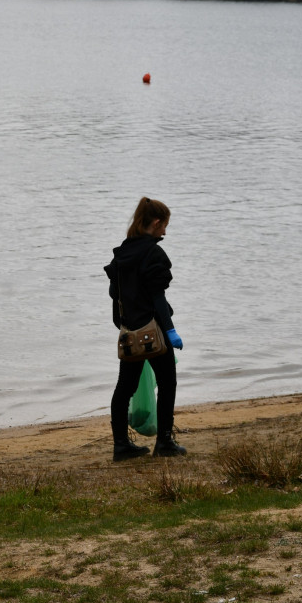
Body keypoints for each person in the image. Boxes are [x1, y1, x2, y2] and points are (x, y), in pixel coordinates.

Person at [105, 197, 186, 461]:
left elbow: (115, 296)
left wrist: (123, 326)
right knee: (167, 382)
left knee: (124, 387)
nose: (165, 231)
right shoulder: (153, 254)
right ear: (155, 222)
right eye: (165, 225)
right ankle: (164, 442)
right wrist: (170, 331)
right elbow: (157, 298)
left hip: (131, 334)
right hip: (153, 333)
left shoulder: (121, 254)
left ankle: (120, 446)